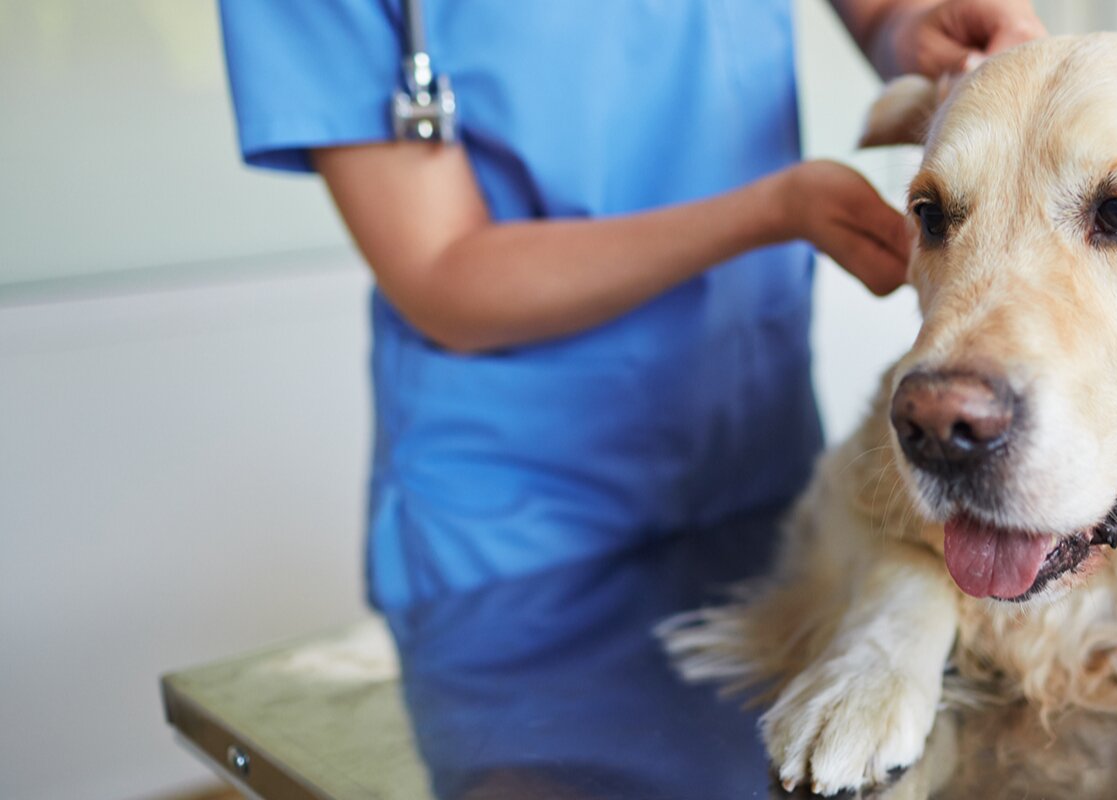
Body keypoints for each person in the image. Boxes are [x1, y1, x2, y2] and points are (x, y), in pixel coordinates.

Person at [219, 0, 1045, 611]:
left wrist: (906, 25)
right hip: (517, 513)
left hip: (756, 451)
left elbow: (885, 13)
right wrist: (772, 211)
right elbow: (439, 271)